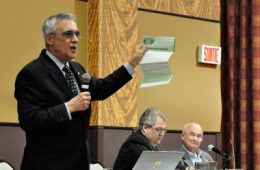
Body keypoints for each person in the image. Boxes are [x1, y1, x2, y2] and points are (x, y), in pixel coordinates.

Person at [14, 12, 148, 170]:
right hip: (48, 165)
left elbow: (103, 87)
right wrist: (68, 108)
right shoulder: (32, 73)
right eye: (68, 34)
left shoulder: (76, 69)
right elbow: (29, 120)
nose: (75, 40)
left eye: (77, 34)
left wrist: (133, 62)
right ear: (49, 39)